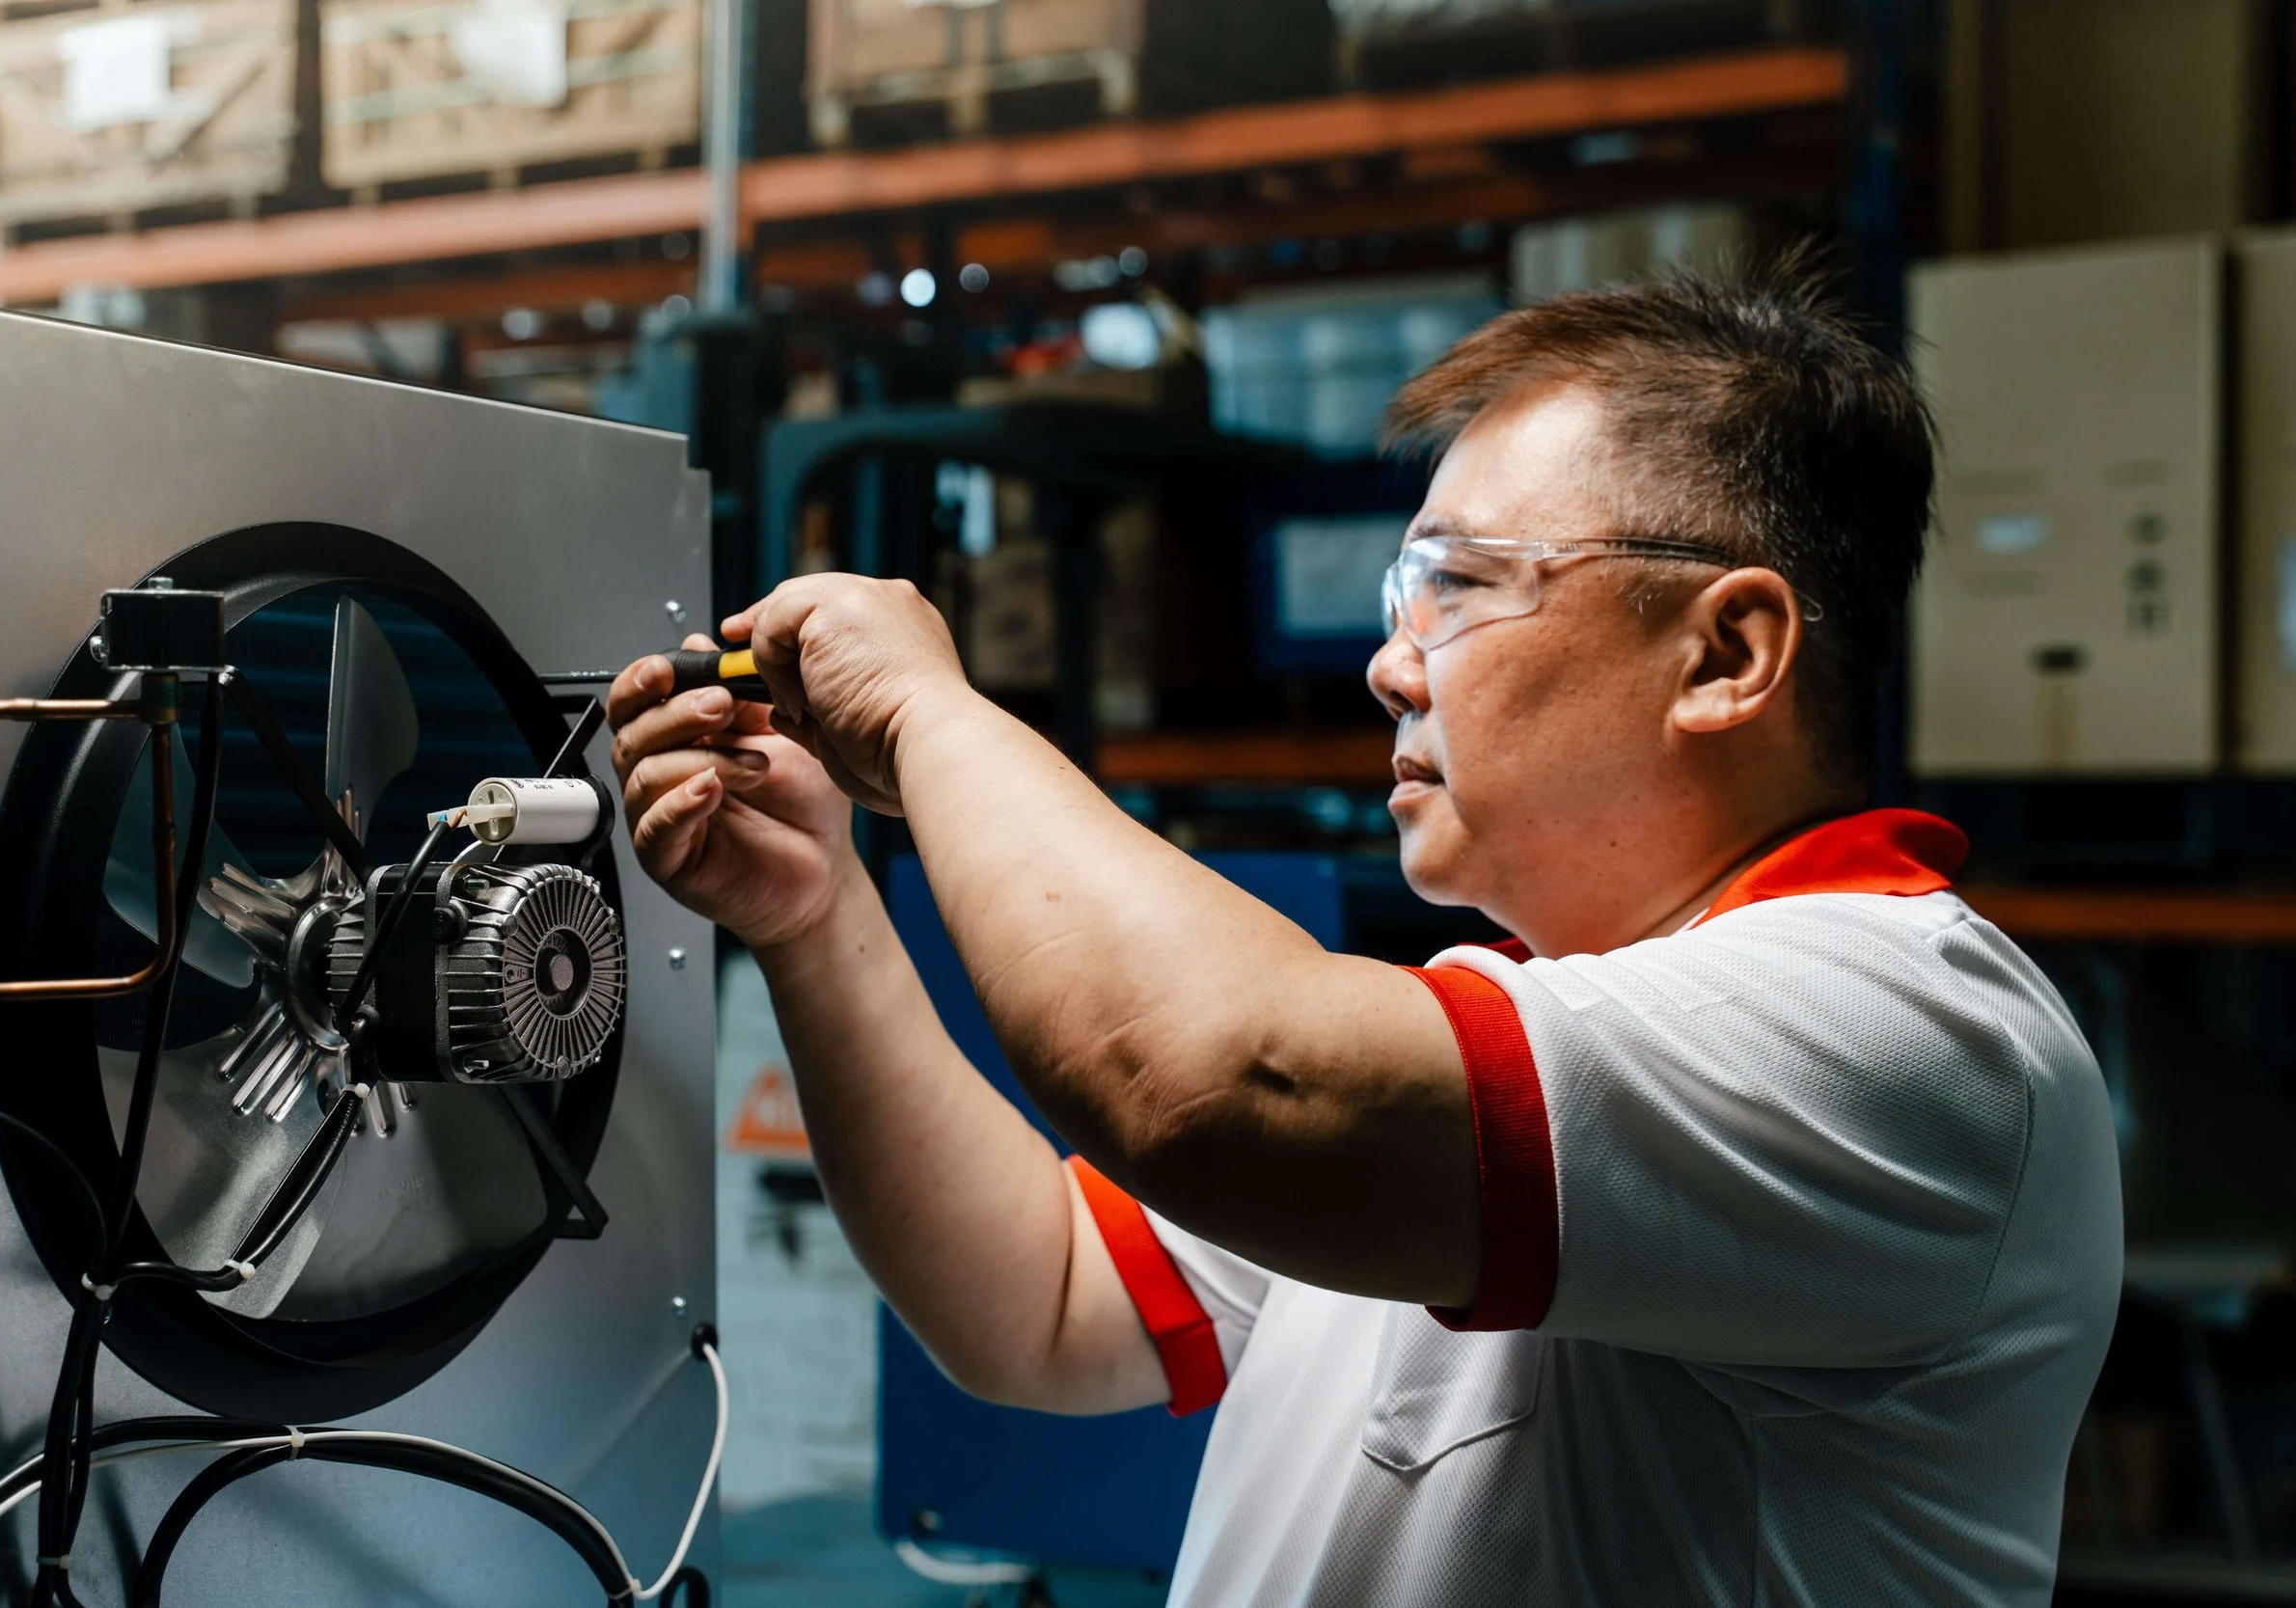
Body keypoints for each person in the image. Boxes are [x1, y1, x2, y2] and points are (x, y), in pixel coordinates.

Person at [608, 265, 2123, 1605]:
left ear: (1726, 651)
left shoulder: (1905, 1031)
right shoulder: (1506, 1040)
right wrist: (817, 912)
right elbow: (1045, 1299)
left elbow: (1216, 1077)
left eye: (1460, 587)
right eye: (1404, 591)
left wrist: (933, 714)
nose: (1394, 665)